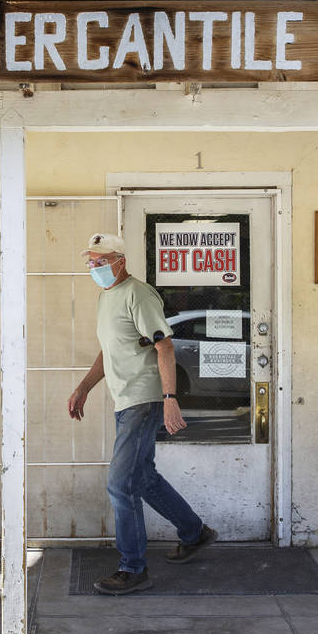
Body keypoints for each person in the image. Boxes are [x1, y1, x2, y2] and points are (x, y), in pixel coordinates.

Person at [68, 232, 218, 595]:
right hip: (125, 401)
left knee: (121, 485)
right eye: (91, 261)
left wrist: (170, 397)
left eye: (101, 261)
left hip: (143, 400)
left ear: (120, 260)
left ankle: (133, 568)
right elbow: (111, 350)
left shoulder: (138, 293)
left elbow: (164, 346)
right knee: (144, 477)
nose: (94, 267)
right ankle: (194, 533)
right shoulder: (107, 297)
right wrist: (85, 387)